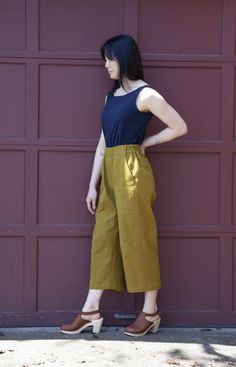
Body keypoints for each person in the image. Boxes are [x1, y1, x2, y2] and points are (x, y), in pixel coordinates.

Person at [60, 34, 188, 337]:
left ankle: (150, 310)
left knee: (137, 236)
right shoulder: (110, 97)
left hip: (132, 169)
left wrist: (148, 141)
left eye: (109, 59)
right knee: (103, 238)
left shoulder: (146, 95)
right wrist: (93, 186)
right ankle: (91, 308)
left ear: (124, 58)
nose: (105, 65)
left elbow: (180, 126)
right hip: (109, 172)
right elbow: (102, 144)